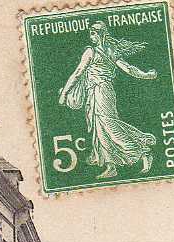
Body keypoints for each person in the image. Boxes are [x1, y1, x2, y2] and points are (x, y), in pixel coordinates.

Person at [58, 21, 159, 179]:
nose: (91, 37)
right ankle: (110, 164)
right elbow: (128, 68)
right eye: (90, 33)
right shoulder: (111, 51)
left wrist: (64, 93)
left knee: (108, 126)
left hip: (100, 91)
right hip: (99, 92)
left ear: (101, 34)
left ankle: (141, 152)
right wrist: (146, 75)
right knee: (101, 127)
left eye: (94, 33)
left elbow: (78, 72)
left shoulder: (91, 52)